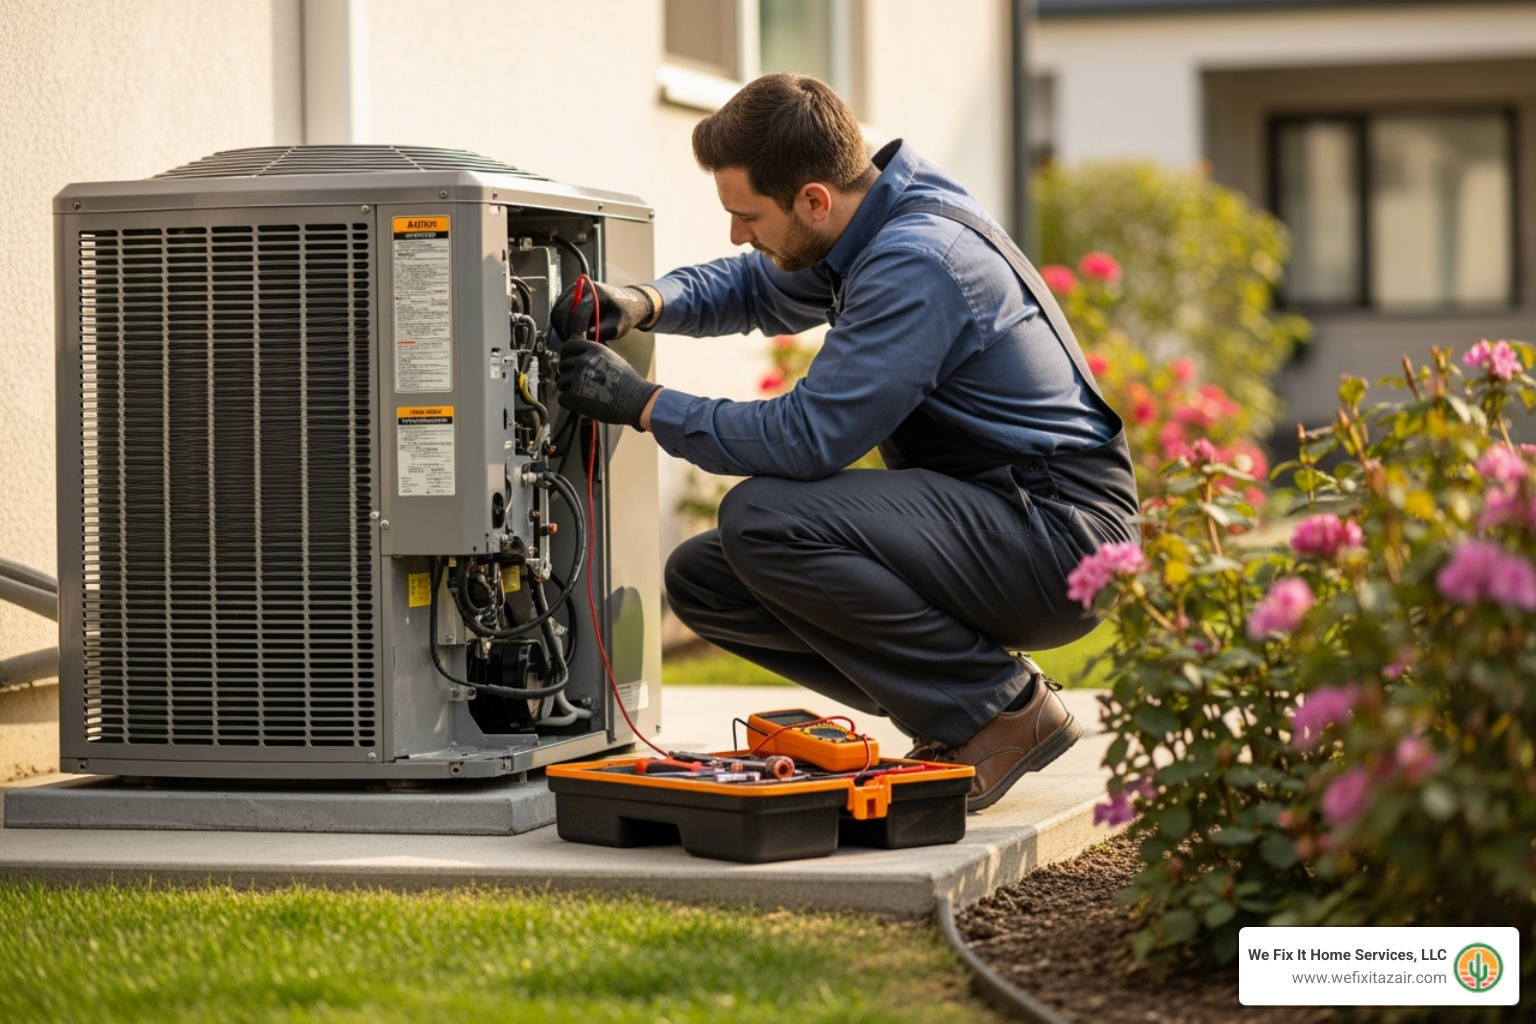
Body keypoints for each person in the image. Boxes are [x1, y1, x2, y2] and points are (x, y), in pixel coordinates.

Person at [551, 73, 1139, 810]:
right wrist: (647, 301)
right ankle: (956, 712)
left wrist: (641, 405)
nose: (740, 234)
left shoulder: (919, 261)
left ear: (813, 200)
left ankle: (995, 711)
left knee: (763, 520)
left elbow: (807, 439)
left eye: (748, 215)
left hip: (1057, 534)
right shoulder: (871, 220)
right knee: (707, 579)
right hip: (1003, 512)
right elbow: (757, 288)